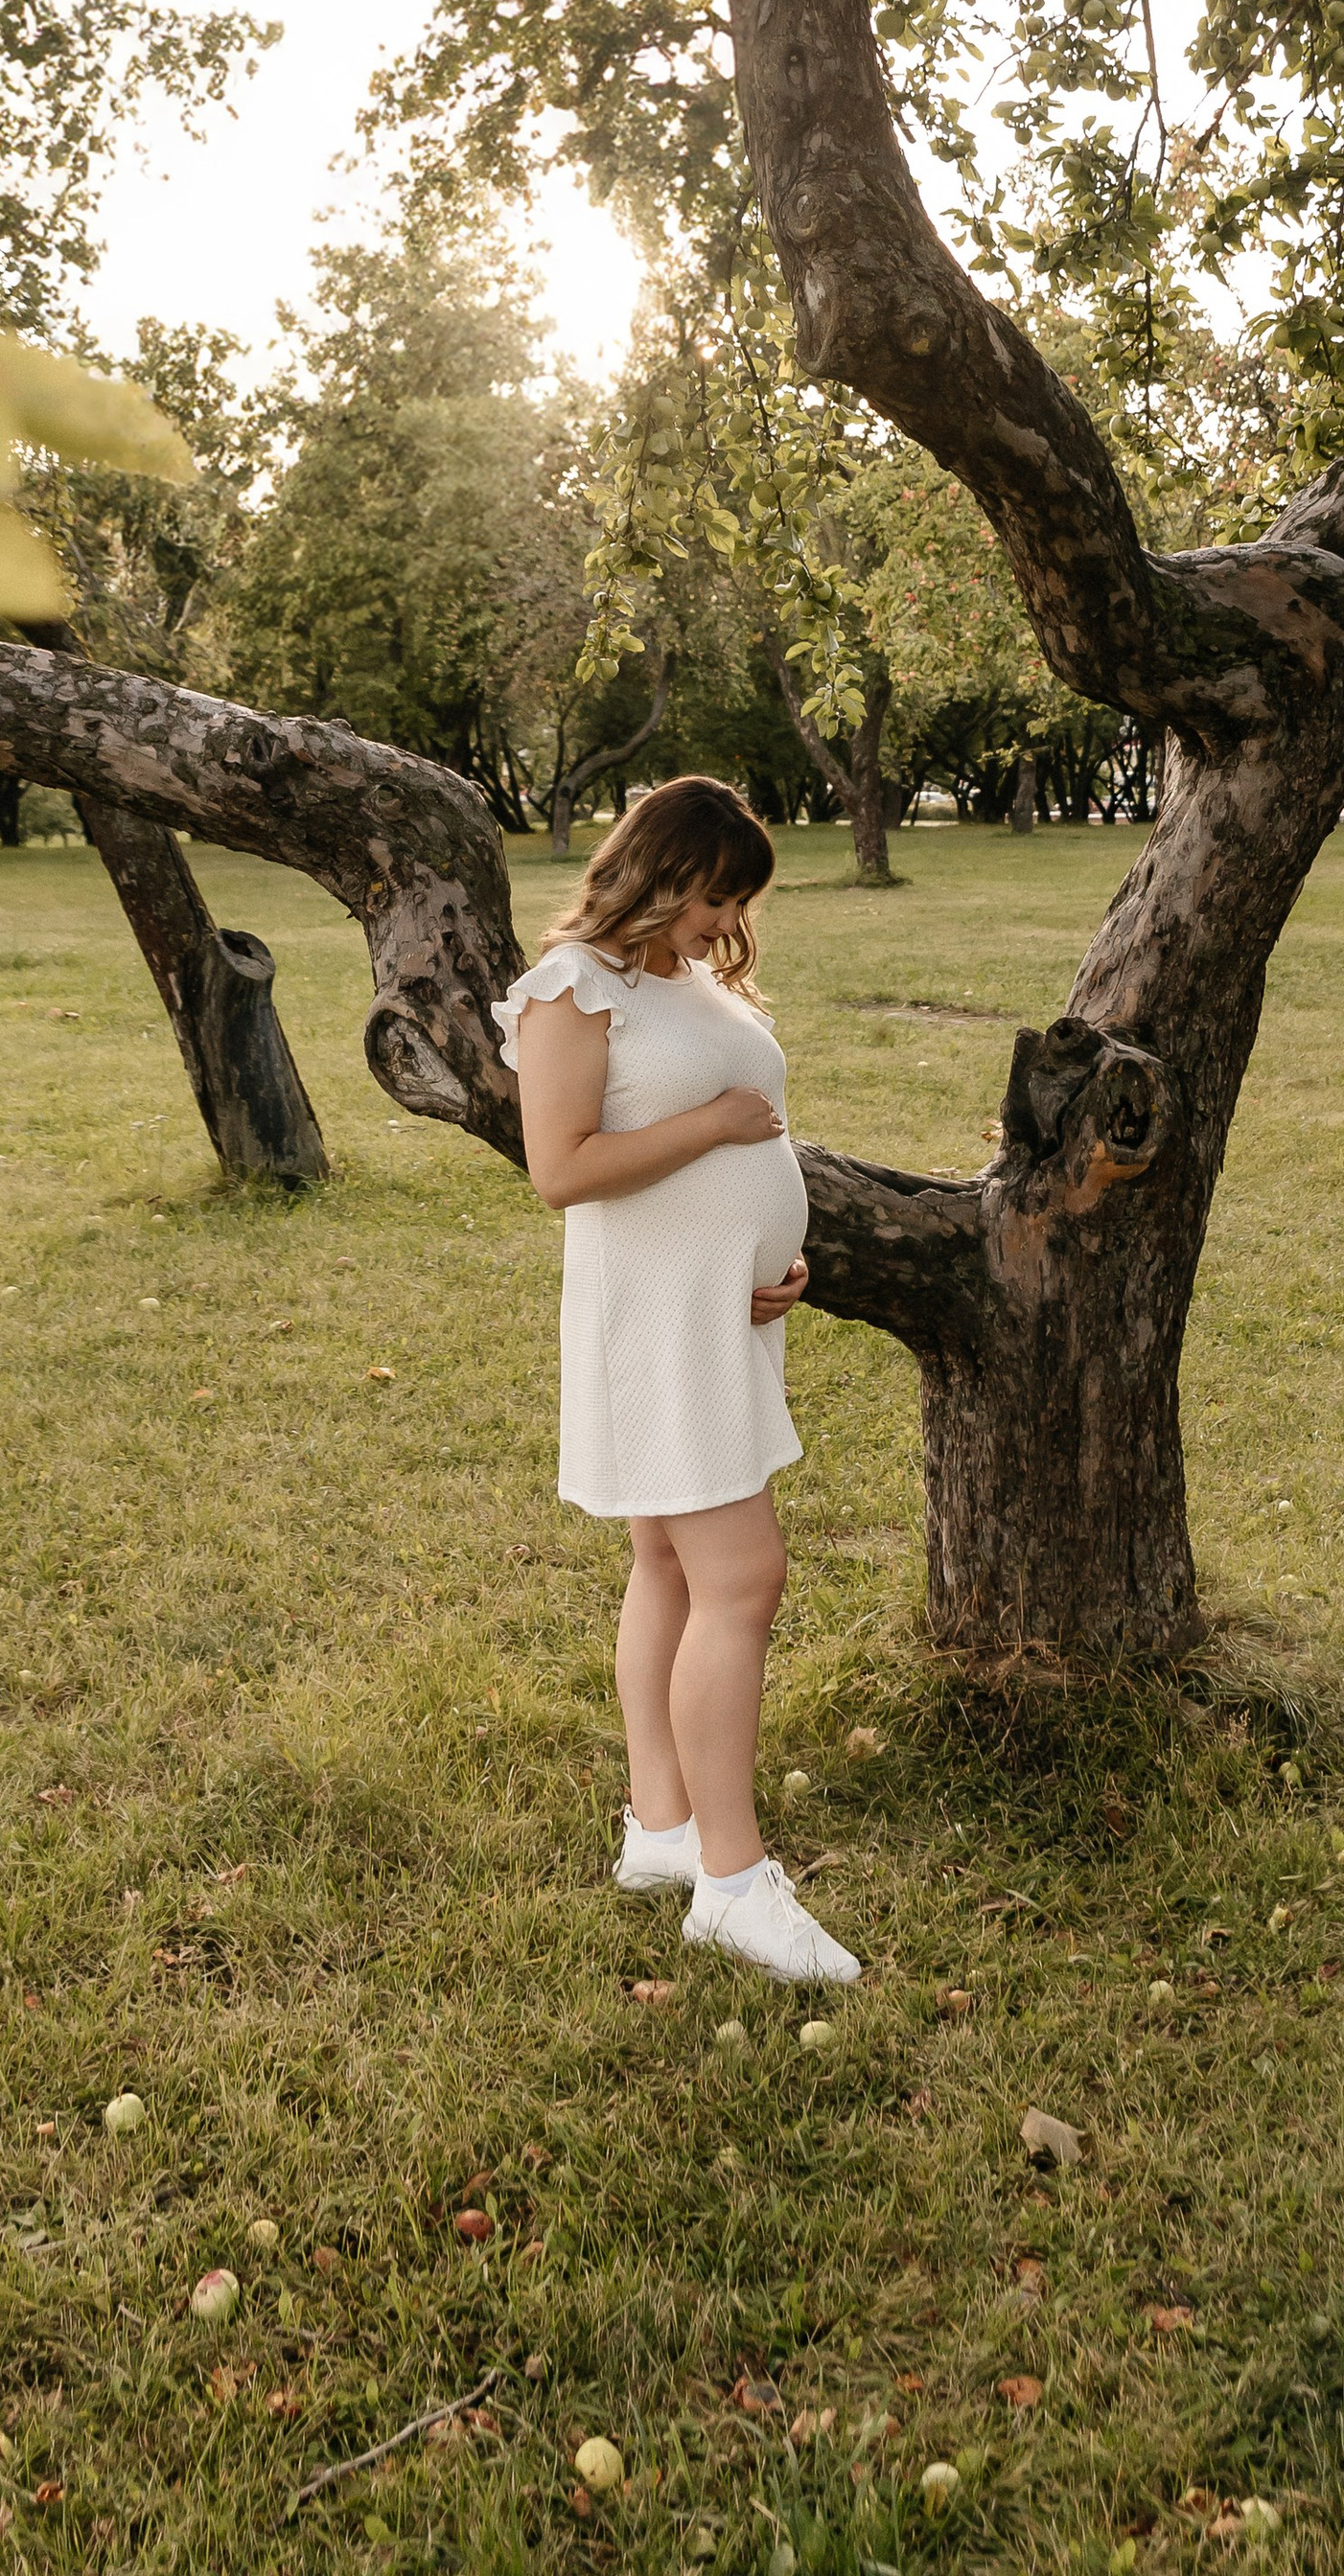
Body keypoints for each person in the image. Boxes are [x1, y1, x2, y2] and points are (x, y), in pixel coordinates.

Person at [495, 773, 860, 1988]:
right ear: (658, 871)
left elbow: (750, 1141)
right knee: (744, 1576)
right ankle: (734, 1879)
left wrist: (769, 1256)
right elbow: (562, 1168)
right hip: (653, 1324)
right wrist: (714, 1132)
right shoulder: (572, 989)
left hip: (719, 1311)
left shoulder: (680, 975)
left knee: (667, 1559)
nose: (722, 921)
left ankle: (660, 1830)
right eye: (713, 895)